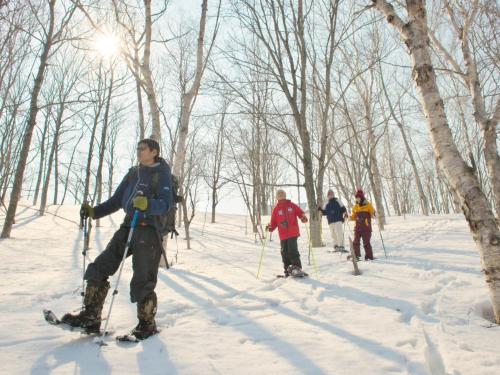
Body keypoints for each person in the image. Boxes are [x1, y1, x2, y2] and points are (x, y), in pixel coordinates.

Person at [62, 138, 173, 340]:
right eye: (137, 147)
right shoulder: (133, 173)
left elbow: (166, 204)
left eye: (143, 148)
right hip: (128, 225)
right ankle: (91, 317)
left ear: (154, 152)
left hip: (148, 230)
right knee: (99, 267)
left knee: (142, 278)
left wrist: (147, 204)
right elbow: (116, 201)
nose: (138, 151)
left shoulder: (161, 173)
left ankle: (146, 325)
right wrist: (93, 212)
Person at [265, 189, 308, 277]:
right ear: (276, 197)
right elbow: (273, 222)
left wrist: (303, 217)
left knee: (292, 250)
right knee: (284, 252)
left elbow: (300, 213)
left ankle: (297, 268)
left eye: (282, 194)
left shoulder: (291, 205)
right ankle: (288, 270)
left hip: (293, 232)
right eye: (279, 194)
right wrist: (270, 227)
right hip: (283, 234)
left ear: (285, 195)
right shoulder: (276, 209)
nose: (280, 195)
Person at [349, 189, 376, 261]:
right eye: (356, 198)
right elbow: (353, 217)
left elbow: (373, 213)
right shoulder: (355, 207)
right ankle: (356, 256)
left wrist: (374, 213)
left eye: (358, 197)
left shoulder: (368, 205)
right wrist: (348, 217)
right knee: (355, 241)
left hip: (366, 228)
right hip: (357, 227)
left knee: (366, 242)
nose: (357, 199)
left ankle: (369, 257)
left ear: (361, 197)